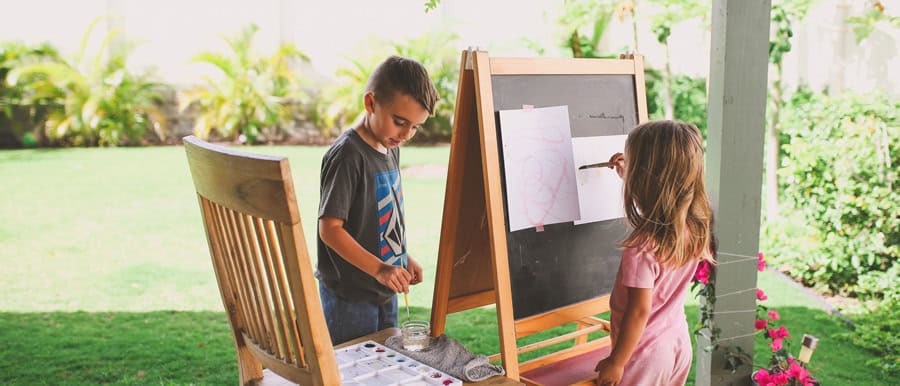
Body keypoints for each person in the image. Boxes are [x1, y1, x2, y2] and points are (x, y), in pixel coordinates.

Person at [317, 56, 438, 345]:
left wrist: (401, 257)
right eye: (400, 122)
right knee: (355, 365)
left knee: (387, 360)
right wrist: (380, 269)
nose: (406, 134)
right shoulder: (348, 155)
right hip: (351, 296)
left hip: (384, 289)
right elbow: (330, 230)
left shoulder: (389, 146)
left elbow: (380, 219)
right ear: (370, 103)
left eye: (415, 127)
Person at [594, 120, 716, 386]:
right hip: (676, 343)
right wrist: (628, 174)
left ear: (645, 179)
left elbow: (639, 311)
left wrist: (617, 362)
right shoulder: (692, 227)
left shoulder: (641, 246)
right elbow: (661, 207)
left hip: (643, 354)